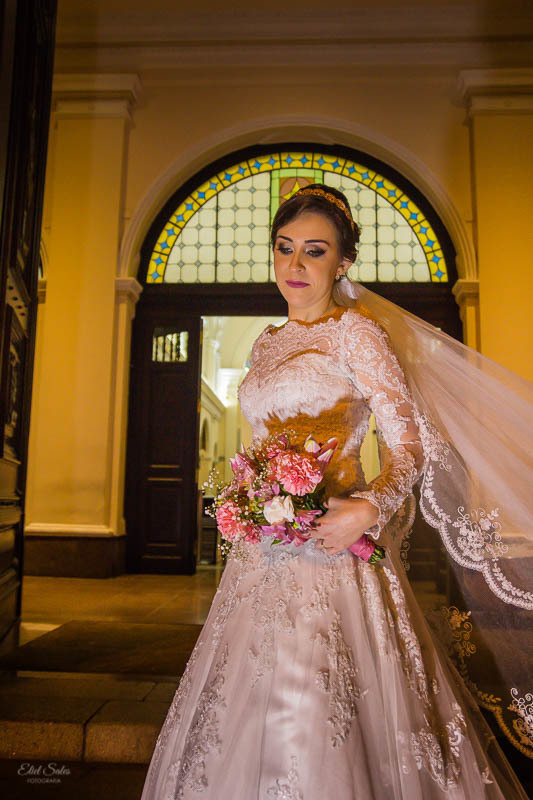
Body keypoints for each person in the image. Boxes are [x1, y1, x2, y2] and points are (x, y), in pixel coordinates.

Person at [140, 184, 531, 799]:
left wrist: (369, 507)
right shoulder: (266, 343)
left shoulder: (357, 334)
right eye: (284, 247)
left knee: (320, 706)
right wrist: (249, 501)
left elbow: (410, 447)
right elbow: (258, 445)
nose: (294, 264)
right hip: (261, 558)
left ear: (343, 262)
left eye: (314, 251)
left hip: (334, 551)